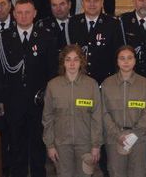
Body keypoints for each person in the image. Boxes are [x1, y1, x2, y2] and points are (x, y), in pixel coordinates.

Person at [0, 0, 59, 177]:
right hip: (13, 101)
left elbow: (52, 70)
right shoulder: (3, 38)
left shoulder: (46, 36)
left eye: (27, 12)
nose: (23, 16)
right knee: (16, 147)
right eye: (20, 12)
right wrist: (0, 99)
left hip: (38, 101)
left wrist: (48, 96)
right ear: (14, 14)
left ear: (35, 13)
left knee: (38, 146)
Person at [42, 44, 104, 177]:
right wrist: (50, 145)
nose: (72, 63)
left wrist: (96, 145)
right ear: (63, 63)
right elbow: (47, 118)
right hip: (61, 144)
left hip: (85, 143)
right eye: (68, 59)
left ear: (81, 62)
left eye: (76, 59)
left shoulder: (91, 85)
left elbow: (97, 117)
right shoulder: (53, 86)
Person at [102, 45, 146, 177]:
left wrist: (134, 134)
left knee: (138, 173)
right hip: (115, 139)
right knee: (116, 173)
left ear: (135, 61)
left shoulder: (145, 84)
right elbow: (103, 112)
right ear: (117, 61)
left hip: (139, 139)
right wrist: (118, 134)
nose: (126, 62)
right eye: (122, 58)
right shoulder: (107, 84)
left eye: (130, 58)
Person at [68, 0, 123, 82]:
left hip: (105, 80)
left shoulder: (113, 24)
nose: (92, 4)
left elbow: (118, 54)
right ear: (82, 3)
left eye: (96, 1)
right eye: (88, 0)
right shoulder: (72, 23)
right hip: (78, 80)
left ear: (102, 2)